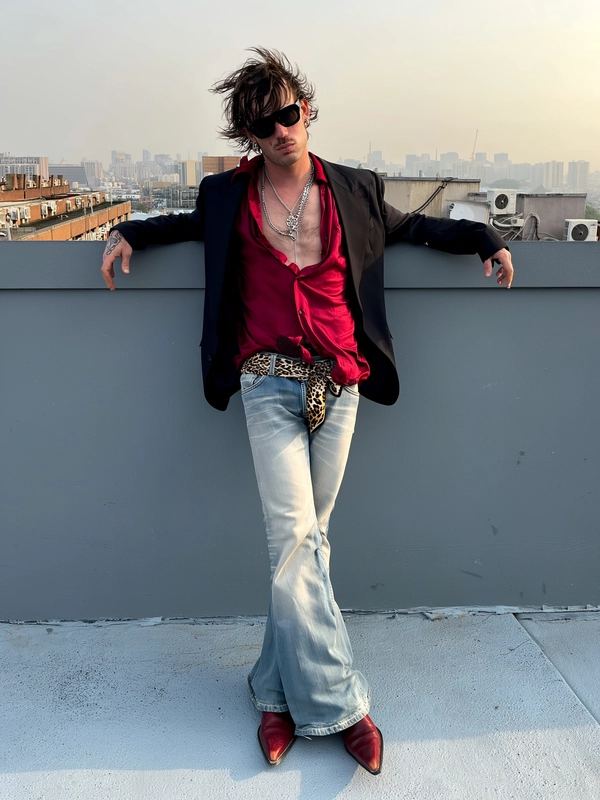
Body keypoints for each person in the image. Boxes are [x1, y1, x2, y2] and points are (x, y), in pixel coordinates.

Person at [101, 47, 514, 775]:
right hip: (267, 381)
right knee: (294, 540)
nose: (281, 130)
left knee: (309, 545)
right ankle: (342, 705)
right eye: (264, 124)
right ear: (250, 135)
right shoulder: (228, 195)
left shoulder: (355, 188)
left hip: (342, 382)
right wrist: (130, 230)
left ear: (308, 110)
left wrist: (484, 236)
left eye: (289, 113)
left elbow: (416, 228)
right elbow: (185, 225)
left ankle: (271, 691)